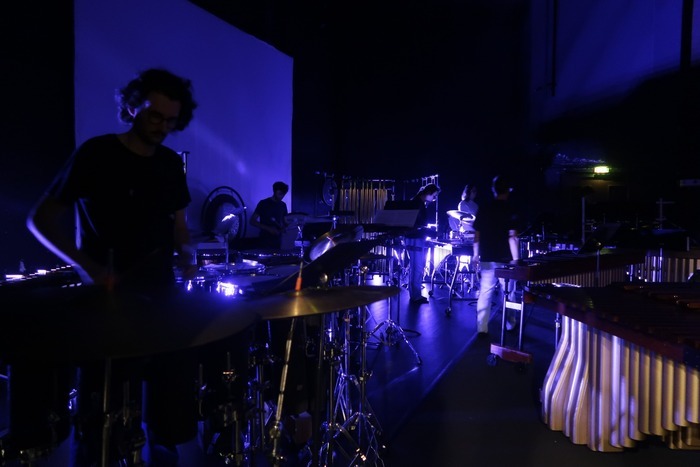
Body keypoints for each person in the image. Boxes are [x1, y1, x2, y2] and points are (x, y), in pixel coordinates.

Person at [27, 68, 199, 465]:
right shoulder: (96, 154)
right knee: (102, 421)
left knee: (167, 420)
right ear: (131, 106)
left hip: (161, 301)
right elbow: (40, 219)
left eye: (171, 121)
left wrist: (188, 254)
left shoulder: (171, 164)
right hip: (108, 304)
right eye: (155, 116)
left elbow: (179, 227)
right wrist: (88, 267)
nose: (162, 127)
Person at [472, 175, 520, 335]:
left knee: (485, 293)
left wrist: (475, 255)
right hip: (505, 258)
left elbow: (477, 236)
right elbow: (512, 237)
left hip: (487, 256)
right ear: (509, 190)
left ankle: (481, 328)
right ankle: (509, 324)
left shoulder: (484, 208)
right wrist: (516, 259)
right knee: (509, 293)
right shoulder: (511, 208)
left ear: (493, 190)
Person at [406, 183, 440, 304]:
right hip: (415, 237)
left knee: (415, 267)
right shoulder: (418, 204)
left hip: (412, 237)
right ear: (429, 193)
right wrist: (432, 233)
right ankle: (416, 296)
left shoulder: (415, 201)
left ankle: (414, 294)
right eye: (434, 195)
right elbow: (417, 224)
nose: (434, 199)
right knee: (418, 267)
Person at [249, 181, 290, 249]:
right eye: (280, 194)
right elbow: (252, 221)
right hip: (264, 240)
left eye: (283, 194)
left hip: (278, 241)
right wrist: (269, 229)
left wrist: (284, 228)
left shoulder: (283, 205)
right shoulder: (263, 203)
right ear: (274, 191)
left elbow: (285, 222)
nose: (281, 196)